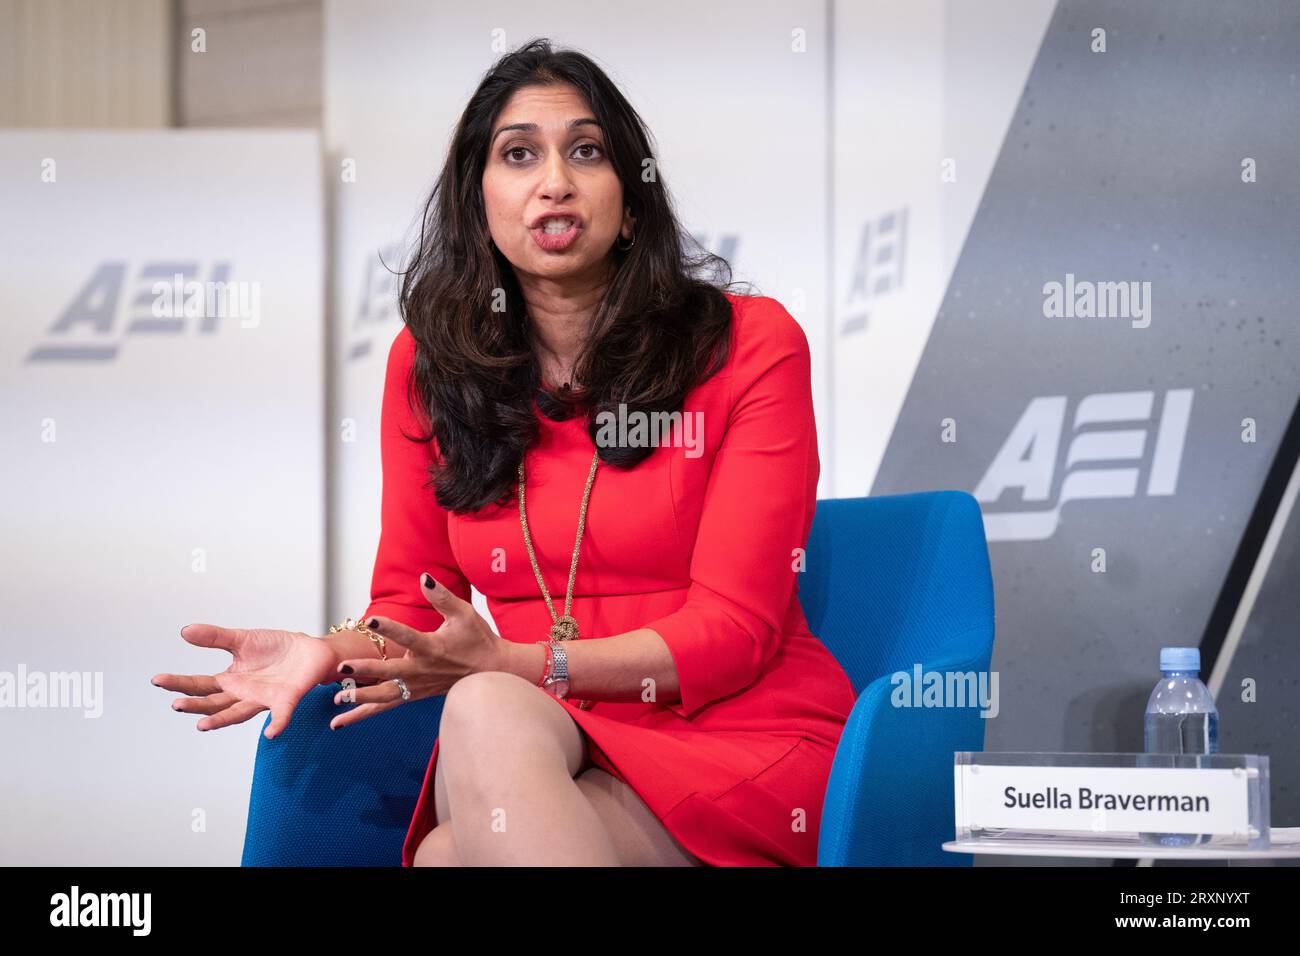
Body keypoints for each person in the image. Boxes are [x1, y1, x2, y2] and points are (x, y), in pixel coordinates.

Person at [152, 37, 855, 867]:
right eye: (519, 154)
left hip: (739, 738)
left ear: (631, 202)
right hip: (549, 743)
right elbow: (415, 607)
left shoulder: (749, 345)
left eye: (585, 152)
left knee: (462, 812)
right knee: (471, 783)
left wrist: (521, 662)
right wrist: (328, 649)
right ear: (477, 202)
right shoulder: (429, 367)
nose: (553, 180)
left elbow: (734, 632)